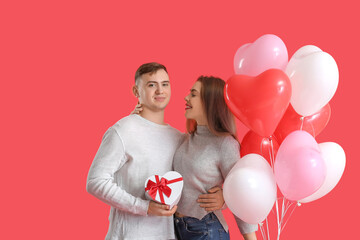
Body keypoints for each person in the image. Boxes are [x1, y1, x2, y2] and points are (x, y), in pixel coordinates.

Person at [86, 62, 223, 240]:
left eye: (165, 84)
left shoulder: (180, 138)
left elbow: (197, 179)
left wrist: (224, 197)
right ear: (136, 92)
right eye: (152, 85)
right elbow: (95, 181)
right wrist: (144, 207)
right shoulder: (122, 131)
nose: (160, 91)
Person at [173, 76, 258, 240]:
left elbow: (241, 191)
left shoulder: (225, 144)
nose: (186, 98)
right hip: (178, 229)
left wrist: (226, 198)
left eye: (193, 94)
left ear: (209, 101)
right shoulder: (187, 139)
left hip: (206, 230)